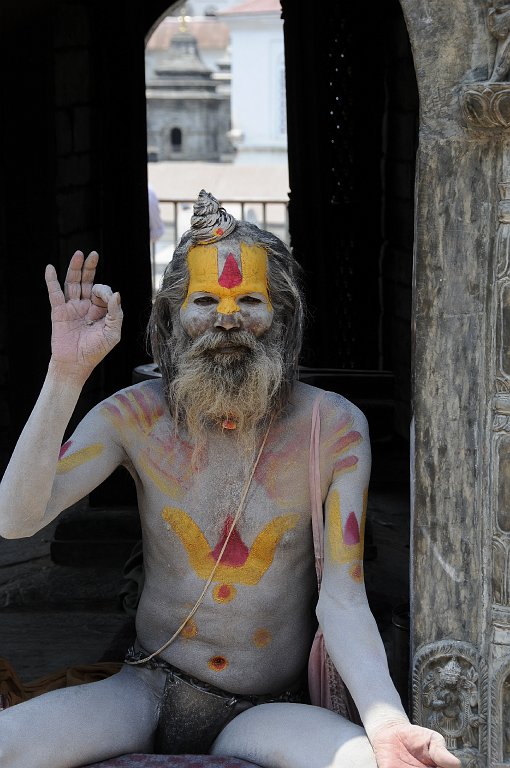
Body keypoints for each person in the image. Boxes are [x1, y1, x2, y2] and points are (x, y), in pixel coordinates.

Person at [0, 191, 460, 768]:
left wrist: (389, 722)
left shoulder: (334, 428)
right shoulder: (134, 417)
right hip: (146, 688)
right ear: (171, 318)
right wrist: (66, 374)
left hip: (268, 708)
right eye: (204, 300)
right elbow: (14, 521)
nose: (227, 317)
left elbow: (343, 600)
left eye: (249, 298)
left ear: (283, 317)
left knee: (370, 765)